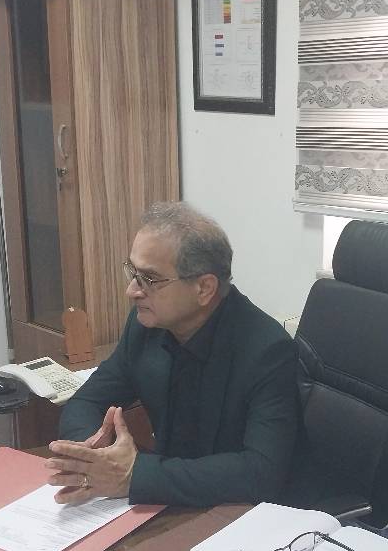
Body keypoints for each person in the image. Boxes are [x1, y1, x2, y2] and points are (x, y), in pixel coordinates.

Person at [47, 202, 300, 507]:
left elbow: (261, 473)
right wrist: (95, 455)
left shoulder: (267, 350)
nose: (132, 291)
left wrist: (134, 475)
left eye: (150, 279)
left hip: (234, 512)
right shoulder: (146, 326)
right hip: (165, 498)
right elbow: (87, 402)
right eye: (133, 272)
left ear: (204, 288)